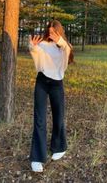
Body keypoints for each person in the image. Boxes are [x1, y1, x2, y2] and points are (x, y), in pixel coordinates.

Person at [28, 20, 74, 173]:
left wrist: (59, 40)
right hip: (42, 81)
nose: (51, 34)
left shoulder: (63, 47)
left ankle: (59, 146)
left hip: (57, 83)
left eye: (54, 32)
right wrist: (32, 47)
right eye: (49, 32)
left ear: (59, 32)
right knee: (39, 118)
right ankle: (37, 157)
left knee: (58, 116)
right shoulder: (43, 44)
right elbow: (37, 58)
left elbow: (67, 52)